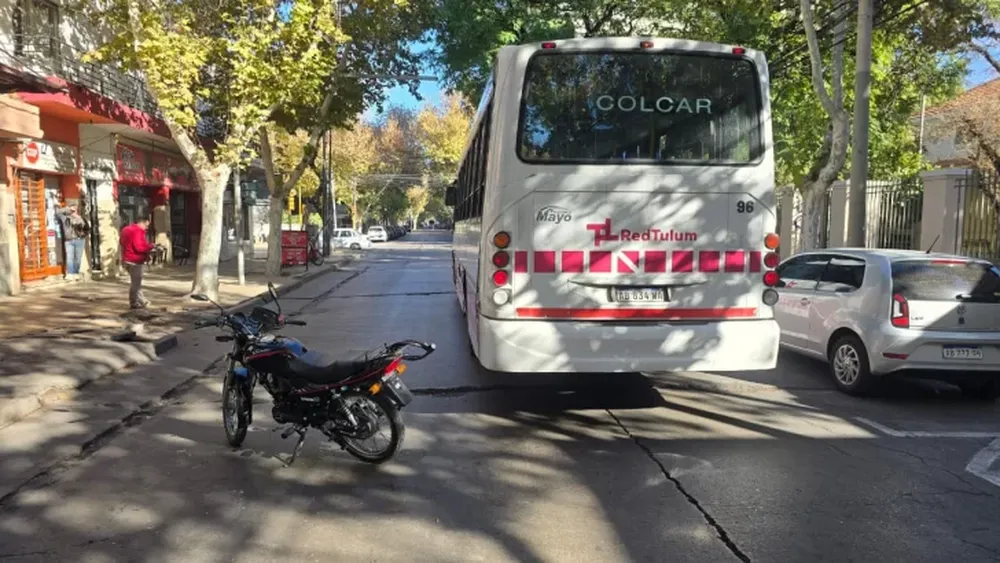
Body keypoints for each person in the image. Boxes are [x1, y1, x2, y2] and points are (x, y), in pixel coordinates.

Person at [120, 217, 155, 309]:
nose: (146, 228)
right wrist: (150, 246)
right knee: (136, 284)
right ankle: (134, 303)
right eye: (146, 225)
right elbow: (140, 247)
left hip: (127, 259)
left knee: (136, 282)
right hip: (135, 260)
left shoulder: (126, 229)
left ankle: (143, 301)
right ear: (143, 222)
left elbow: (121, 242)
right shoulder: (137, 231)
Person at [56, 204, 89, 280]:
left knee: (78, 258)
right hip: (69, 240)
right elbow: (58, 212)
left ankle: (75, 272)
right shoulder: (65, 219)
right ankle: (70, 273)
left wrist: (82, 235)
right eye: (73, 210)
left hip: (79, 240)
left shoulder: (81, 219)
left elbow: (87, 229)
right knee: (70, 257)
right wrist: (68, 208)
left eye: (76, 209)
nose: (74, 211)